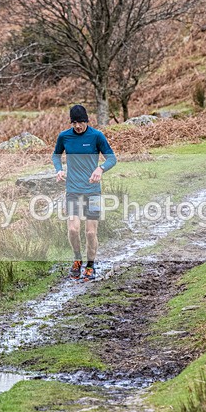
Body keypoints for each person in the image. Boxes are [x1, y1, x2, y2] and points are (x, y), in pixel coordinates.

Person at [52, 104, 117, 280]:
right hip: (73, 190)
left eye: (81, 122)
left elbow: (112, 158)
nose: (78, 126)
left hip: (93, 191)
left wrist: (100, 169)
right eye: (74, 123)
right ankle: (77, 259)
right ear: (71, 122)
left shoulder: (96, 136)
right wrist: (59, 169)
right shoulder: (64, 137)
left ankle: (91, 264)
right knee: (73, 230)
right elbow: (56, 155)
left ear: (87, 120)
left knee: (90, 232)